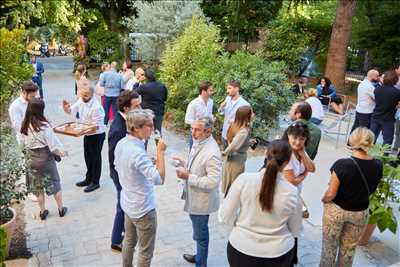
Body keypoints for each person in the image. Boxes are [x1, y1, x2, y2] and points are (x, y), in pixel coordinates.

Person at [219, 140, 301, 267]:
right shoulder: (292, 192)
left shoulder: (244, 180)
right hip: (277, 254)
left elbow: (225, 215)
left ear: (265, 153)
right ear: (287, 162)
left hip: (241, 249)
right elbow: (295, 230)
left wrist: (241, 226)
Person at [320, 127, 382, 267]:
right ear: (370, 143)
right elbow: (372, 190)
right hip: (360, 212)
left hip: (337, 211)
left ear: (351, 141)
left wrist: (324, 200)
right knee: (348, 250)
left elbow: (331, 193)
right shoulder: (378, 165)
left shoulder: (342, 164)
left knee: (329, 249)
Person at [114, 109, 167, 267]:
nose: (152, 128)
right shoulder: (137, 152)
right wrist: (160, 153)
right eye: (149, 125)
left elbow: (119, 166)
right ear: (137, 128)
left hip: (128, 203)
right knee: (145, 251)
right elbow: (159, 179)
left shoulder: (122, 143)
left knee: (129, 242)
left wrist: (143, 166)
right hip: (143, 208)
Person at [173, 117, 222, 267]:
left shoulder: (212, 152)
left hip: (202, 201)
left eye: (197, 130)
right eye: (192, 129)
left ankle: (201, 263)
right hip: (194, 197)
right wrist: (184, 163)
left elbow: (213, 182)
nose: (192, 133)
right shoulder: (200, 141)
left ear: (208, 131)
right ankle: (199, 256)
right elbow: (198, 164)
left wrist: (188, 176)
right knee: (198, 231)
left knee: (201, 235)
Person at [20, 98, 68, 220]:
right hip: (45, 159)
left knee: (38, 187)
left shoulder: (24, 125)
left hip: (31, 159)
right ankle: (61, 209)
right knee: (54, 183)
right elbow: (54, 146)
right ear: (41, 110)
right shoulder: (44, 126)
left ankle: (42, 212)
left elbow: (21, 143)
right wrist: (63, 153)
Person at [108, 91, 142, 252]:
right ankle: (116, 240)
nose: (140, 108)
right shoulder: (118, 129)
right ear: (126, 108)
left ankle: (124, 234)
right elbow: (115, 159)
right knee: (123, 206)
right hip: (121, 176)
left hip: (127, 173)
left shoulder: (128, 121)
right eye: (137, 106)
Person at [282, 121, 316, 265]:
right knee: (286, 230)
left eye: (301, 139)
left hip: (294, 196)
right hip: (284, 197)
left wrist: (302, 153)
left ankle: (291, 258)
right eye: (295, 138)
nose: (297, 141)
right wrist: (303, 175)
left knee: (294, 229)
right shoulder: (285, 153)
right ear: (289, 135)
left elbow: (312, 168)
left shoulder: (300, 151)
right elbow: (292, 181)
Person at [62, 84, 106, 193]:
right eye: (83, 95)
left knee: (95, 158)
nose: (84, 97)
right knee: (87, 157)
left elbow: (95, 126)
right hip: (87, 132)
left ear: (92, 94)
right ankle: (88, 178)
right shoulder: (81, 100)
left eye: (86, 95)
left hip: (97, 134)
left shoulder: (96, 107)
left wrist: (78, 130)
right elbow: (71, 111)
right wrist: (66, 108)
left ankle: (95, 182)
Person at [221, 106, 252, 197]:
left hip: (230, 161)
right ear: (247, 116)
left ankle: (226, 207)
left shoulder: (234, 125)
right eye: (251, 113)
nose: (253, 115)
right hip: (236, 162)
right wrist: (224, 153)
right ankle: (228, 209)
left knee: (229, 186)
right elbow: (233, 145)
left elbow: (234, 140)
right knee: (233, 188)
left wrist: (248, 142)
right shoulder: (243, 131)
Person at [370, 70, 400, 145]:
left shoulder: (377, 89)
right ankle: (384, 156)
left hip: (376, 116)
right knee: (388, 140)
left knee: (371, 138)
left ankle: (366, 154)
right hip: (388, 119)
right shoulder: (397, 92)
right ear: (395, 80)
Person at [218, 80, 251, 148]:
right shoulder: (227, 99)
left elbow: (248, 121)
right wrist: (221, 107)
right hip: (224, 134)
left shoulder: (245, 104)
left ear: (237, 89)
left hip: (235, 137)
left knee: (233, 157)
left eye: (229, 88)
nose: (227, 91)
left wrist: (235, 122)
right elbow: (221, 112)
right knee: (225, 155)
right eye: (227, 89)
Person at [136, 69, 168, 136]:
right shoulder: (162, 86)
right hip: (159, 111)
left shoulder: (143, 87)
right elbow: (165, 98)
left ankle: (143, 146)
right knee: (158, 132)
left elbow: (133, 93)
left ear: (146, 77)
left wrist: (137, 82)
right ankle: (159, 146)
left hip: (146, 112)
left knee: (144, 132)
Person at [185, 81, 214, 148]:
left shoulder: (211, 102)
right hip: (196, 133)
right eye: (210, 90)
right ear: (203, 91)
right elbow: (187, 120)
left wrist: (212, 118)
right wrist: (199, 122)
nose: (212, 92)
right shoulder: (193, 103)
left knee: (204, 154)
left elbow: (209, 115)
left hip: (207, 133)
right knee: (193, 154)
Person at [99, 61, 124, 125]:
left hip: (107, 94)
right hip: (116, 95)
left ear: (111, 66)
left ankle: (105, 123)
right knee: (115, 110)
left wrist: (107, 85)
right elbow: (122, 86)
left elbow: (101, 84)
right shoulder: (120, 75)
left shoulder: (105, 74)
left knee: (105, 110)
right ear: (116, 67)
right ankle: (115, 123)